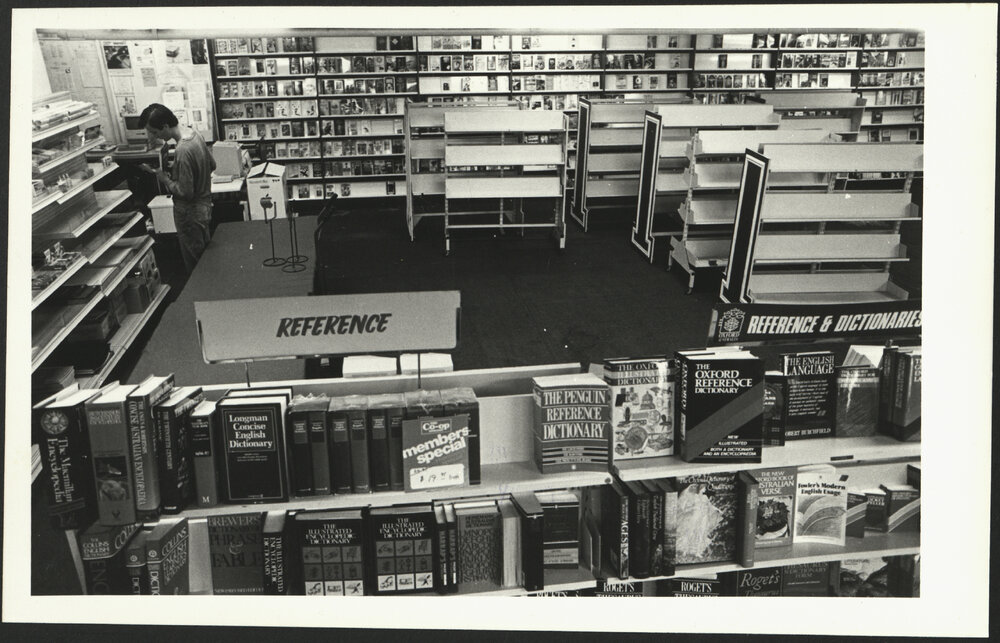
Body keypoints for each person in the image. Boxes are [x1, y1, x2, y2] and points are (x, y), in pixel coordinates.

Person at [138, 103, 216, 274]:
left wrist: (164, 178)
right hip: (204, 208)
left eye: (155, 132)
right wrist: (184, 171)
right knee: (206, 261)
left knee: (196, 267)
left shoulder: (182, 149)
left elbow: (185, 193)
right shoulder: (195, 135)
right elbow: (212, 164)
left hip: (189, 214)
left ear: (165, 126)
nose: (153, 136)